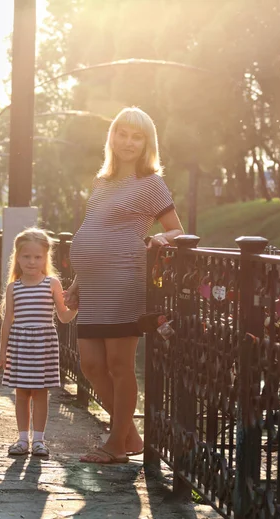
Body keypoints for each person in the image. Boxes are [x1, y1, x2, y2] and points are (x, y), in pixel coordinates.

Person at [64, 106, 184, 464]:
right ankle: (129, 436)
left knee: (119, 365)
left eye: (137, 136)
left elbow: (177, 228)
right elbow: (93, 231)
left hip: (123, 282)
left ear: (147, 143)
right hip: (95, 284)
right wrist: (77, 281)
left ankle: (116, 445)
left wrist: (164, 241)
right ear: (112, 136)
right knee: (90, 365)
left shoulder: (151, 183)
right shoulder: (102, 182)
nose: (128, 142)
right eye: (122, 134)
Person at [0, 228, 77, 457]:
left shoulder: (52, 284)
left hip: (43, 344)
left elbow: (63, 316)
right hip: (20, 345)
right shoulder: (14, 287)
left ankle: (39, 440)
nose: (32, 262)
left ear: (45, 258)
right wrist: (3, 353)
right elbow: (8, 321)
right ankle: (22, 440)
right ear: (18, 258)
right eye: (26, 256)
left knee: (41, 393)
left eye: (37, 257)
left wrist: (76, 307)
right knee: (22, 393)